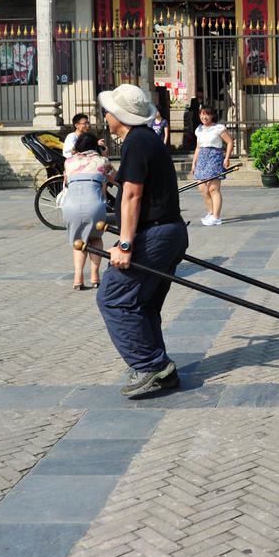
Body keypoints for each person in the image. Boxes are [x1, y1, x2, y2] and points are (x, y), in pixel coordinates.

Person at [96, 83, 188, 398]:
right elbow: (134, 189)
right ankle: (160, 368)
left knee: (113, 298)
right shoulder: (145, 140)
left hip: (156, 235)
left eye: (108, 111)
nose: (105, 116)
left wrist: (125, 244)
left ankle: (152, 366)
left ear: (118, 115)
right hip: (169, 232)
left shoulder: (136, 141)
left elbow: (133, 196)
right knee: (142, 304)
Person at [61, 133, 116, 290]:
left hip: (70, 205)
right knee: (95, 238)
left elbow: (66, 181)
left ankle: (78, 278)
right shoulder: (102, 161)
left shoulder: (68, 162)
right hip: (94, 205)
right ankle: (95, 276)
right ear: (96, 147)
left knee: (78, 240)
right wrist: (105, 156)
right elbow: (118, 180)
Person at [191, 103, 233, 226]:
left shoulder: (218, 128)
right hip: (202, 159)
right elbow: (198, 147)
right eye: (202, 114)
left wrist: (227, 158)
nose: (204, 117)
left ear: (212, 116)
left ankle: (216, 216)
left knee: (213, 189)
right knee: (203, 189)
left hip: (214, 158)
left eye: (207, 114)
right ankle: (211, 212)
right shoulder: (198, 130)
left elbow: (230, 142)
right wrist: (194, 163)